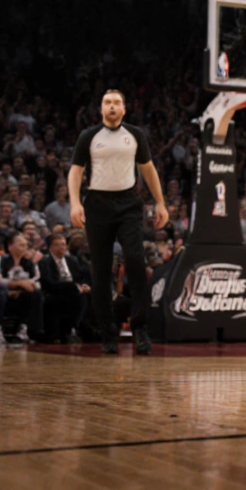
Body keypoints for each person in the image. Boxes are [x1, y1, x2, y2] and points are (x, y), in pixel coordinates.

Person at [68, 90, 169, 355]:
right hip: (97, 203)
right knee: (100, 272)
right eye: (107, 103)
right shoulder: (88, 136)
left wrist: (160, 202)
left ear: (124, 109)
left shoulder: (135, 134)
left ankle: (140, 327)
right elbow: (75, 171)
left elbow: (148, 169)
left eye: (116, 103)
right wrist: (75, 203)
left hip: (128, 203)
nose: (112, 107)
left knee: (135, 261)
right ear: (101, 108)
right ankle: (108, 334)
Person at [38, 233, 91, 343]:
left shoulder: (72, 260)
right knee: (77, 297)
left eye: (63, 244)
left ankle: (87, 330)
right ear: (50, 248)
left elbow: (80, 277)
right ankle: (73, 328)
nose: (61, 247)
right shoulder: (45, 262)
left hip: (74, 291)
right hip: (55, 292)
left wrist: (83, 285)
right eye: (57, 245)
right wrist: (74, 287)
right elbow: (49, 283)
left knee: (88, 295)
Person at [0, 232, 44, 343]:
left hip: (23, 294)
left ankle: (28, 330)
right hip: (5, 293)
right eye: (21, 244)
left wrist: (24, 286)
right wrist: (18, 284)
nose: (25, 247)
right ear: (10, 246)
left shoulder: (28, 263)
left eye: (26, 245)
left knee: (36, 294)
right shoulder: (2, 261)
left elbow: (36, 281)